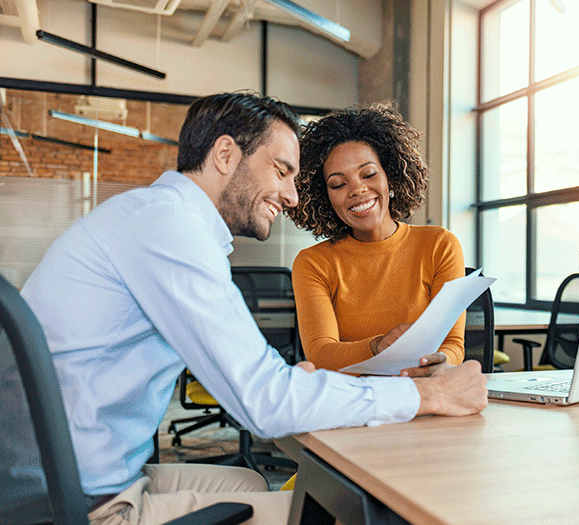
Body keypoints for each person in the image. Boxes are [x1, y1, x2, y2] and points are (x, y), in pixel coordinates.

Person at [20, 92, 488, 525]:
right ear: (225, 155)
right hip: (72, 502)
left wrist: (293, 384)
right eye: (282, 171)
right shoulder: (169, 229)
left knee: (247, 482)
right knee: (338, 513)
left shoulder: (156, 217)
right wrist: (429, 397)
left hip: (78, 474)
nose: (291, 195)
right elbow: (263, 402)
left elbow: (258, 384)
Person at [286, 104, 465, 376]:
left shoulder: (440, 245)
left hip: (423, 393)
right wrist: (377, 347)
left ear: (391, 178)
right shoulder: (313, 263)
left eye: (368, 174)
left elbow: (453, 345)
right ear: (325, 197)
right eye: (338, 184)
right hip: (351, 400)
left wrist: (442, 362)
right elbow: (321, 353)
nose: (357, 189)